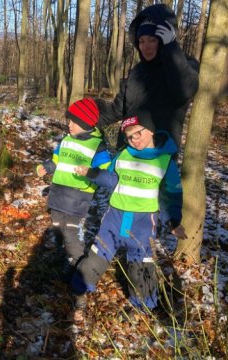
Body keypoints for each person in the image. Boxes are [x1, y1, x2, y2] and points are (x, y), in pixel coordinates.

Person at [70, 111, 186, 314]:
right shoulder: (123, 155)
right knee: (99, 252)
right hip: (114, 217)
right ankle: (79, 289)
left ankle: (143, 305)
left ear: (150, 130)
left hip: (142, 223)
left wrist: (173, 221)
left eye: (138, 134)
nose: (134, 140)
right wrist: (92, 173)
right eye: (129, 136)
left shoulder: (165, 162)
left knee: (141, 262)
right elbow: (112, 180)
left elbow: (171, 196)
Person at [96, 4, 199, 149]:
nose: (146, 47)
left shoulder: (184, 65)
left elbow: (185, 90)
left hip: (158, 159)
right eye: (142, 41)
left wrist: (171, 49)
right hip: (127, 152)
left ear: (164, 40)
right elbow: (118, 109)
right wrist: (86, 117)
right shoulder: (136, 71)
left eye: (152, 40)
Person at [36, 98, 111, 275]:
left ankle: (79, 267)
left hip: (77, 198)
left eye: (74, 121)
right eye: (69, 120)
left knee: (70, 233)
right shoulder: (66, 140)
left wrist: (91, 172)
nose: (69, 124)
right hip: (58, 194)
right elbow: (57, 160)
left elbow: (105, 172)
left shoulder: (97, 146)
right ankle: (62, 258)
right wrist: (46, 168)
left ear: (86, 122)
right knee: (56, 227)